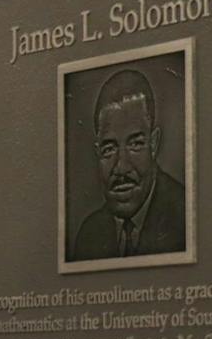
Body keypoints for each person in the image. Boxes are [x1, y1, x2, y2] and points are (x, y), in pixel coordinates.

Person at [69, 67, 186, 261]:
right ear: (97, 152)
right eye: (109, 148)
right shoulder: (89, 235)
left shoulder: (186, 220)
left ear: (154, 144)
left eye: (135, 144)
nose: (121, 167)